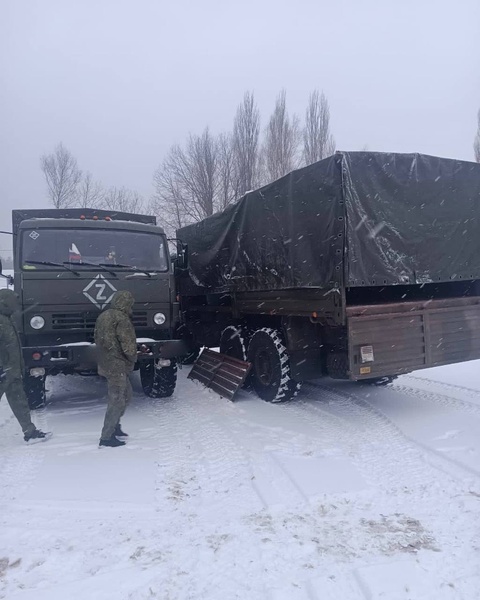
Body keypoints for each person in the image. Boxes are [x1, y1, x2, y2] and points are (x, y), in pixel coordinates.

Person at [0, 289, 50, 442]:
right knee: (19, 401)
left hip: (11, 373)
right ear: (4, 301)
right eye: (13, 300)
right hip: (3, 372)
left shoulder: (8, 319)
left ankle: (30, 432)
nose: (16, 303)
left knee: (20, 402)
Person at [94, 290, 137, 448]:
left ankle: (115, 425)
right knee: (117, 399)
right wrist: (133, 358)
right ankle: (106, 437)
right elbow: (128, 345)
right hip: (117, 364)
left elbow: (97, 338)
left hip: (105, 362)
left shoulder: (103, 316)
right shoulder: (122, 319)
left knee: (126, 395)